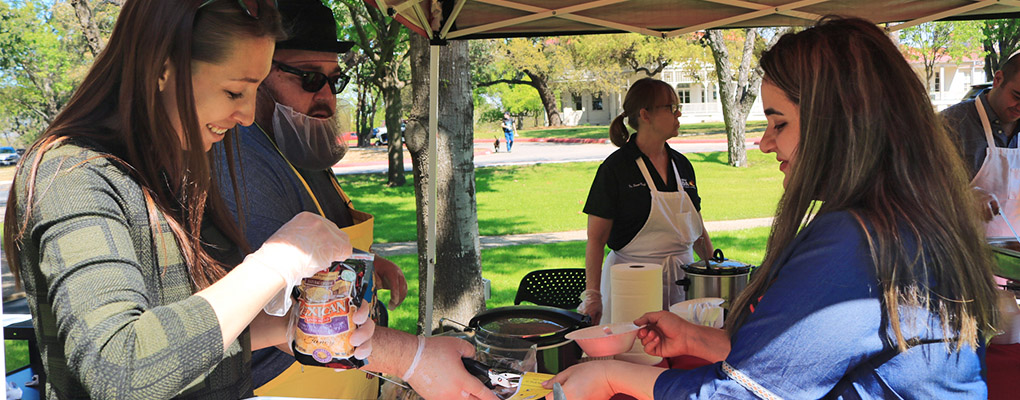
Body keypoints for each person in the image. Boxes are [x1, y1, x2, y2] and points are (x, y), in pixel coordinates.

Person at [545, 17, 999, 399]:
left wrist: (608, 375)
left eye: (778, 123)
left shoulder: (857, 239)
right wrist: (716, 342)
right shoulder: (904, 216)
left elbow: (742, 395)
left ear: (838, 121)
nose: (764, 143)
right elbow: (820, 355)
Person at [0, 1, 371, 398]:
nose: (247, 115)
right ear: (163, 67)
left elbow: (192, 326)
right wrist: (279, 260)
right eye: (234, 91)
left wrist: (293, 324)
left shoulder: (176, 170)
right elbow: (119, 368)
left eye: (254, 90)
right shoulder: (73, 176)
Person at [210, 1, 494, 399]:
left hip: (347, 368)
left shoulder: (298, 141)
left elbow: (317, 243)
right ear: (258, 75)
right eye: (309, 79)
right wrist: (412, 360)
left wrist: (367, 262)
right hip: (287, 384)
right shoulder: (243, 162)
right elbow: (273, 306)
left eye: (334, 81)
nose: (326, 95)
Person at [577, 78, 713, 324]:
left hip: (683, 284)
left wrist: (714, 271)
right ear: (645, 115)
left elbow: (697, 228)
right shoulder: (616, 168)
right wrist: (593, 295)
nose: (678, 112)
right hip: (630, 287)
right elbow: (596, 239)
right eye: (671, 107)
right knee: (636, 355)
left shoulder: (682, 165)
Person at [942, 52, 1020, 233]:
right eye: (1017, 96)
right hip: (964, 250)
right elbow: (917, 191)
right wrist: (963, 197)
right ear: (998, 79)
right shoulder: (949, 125)